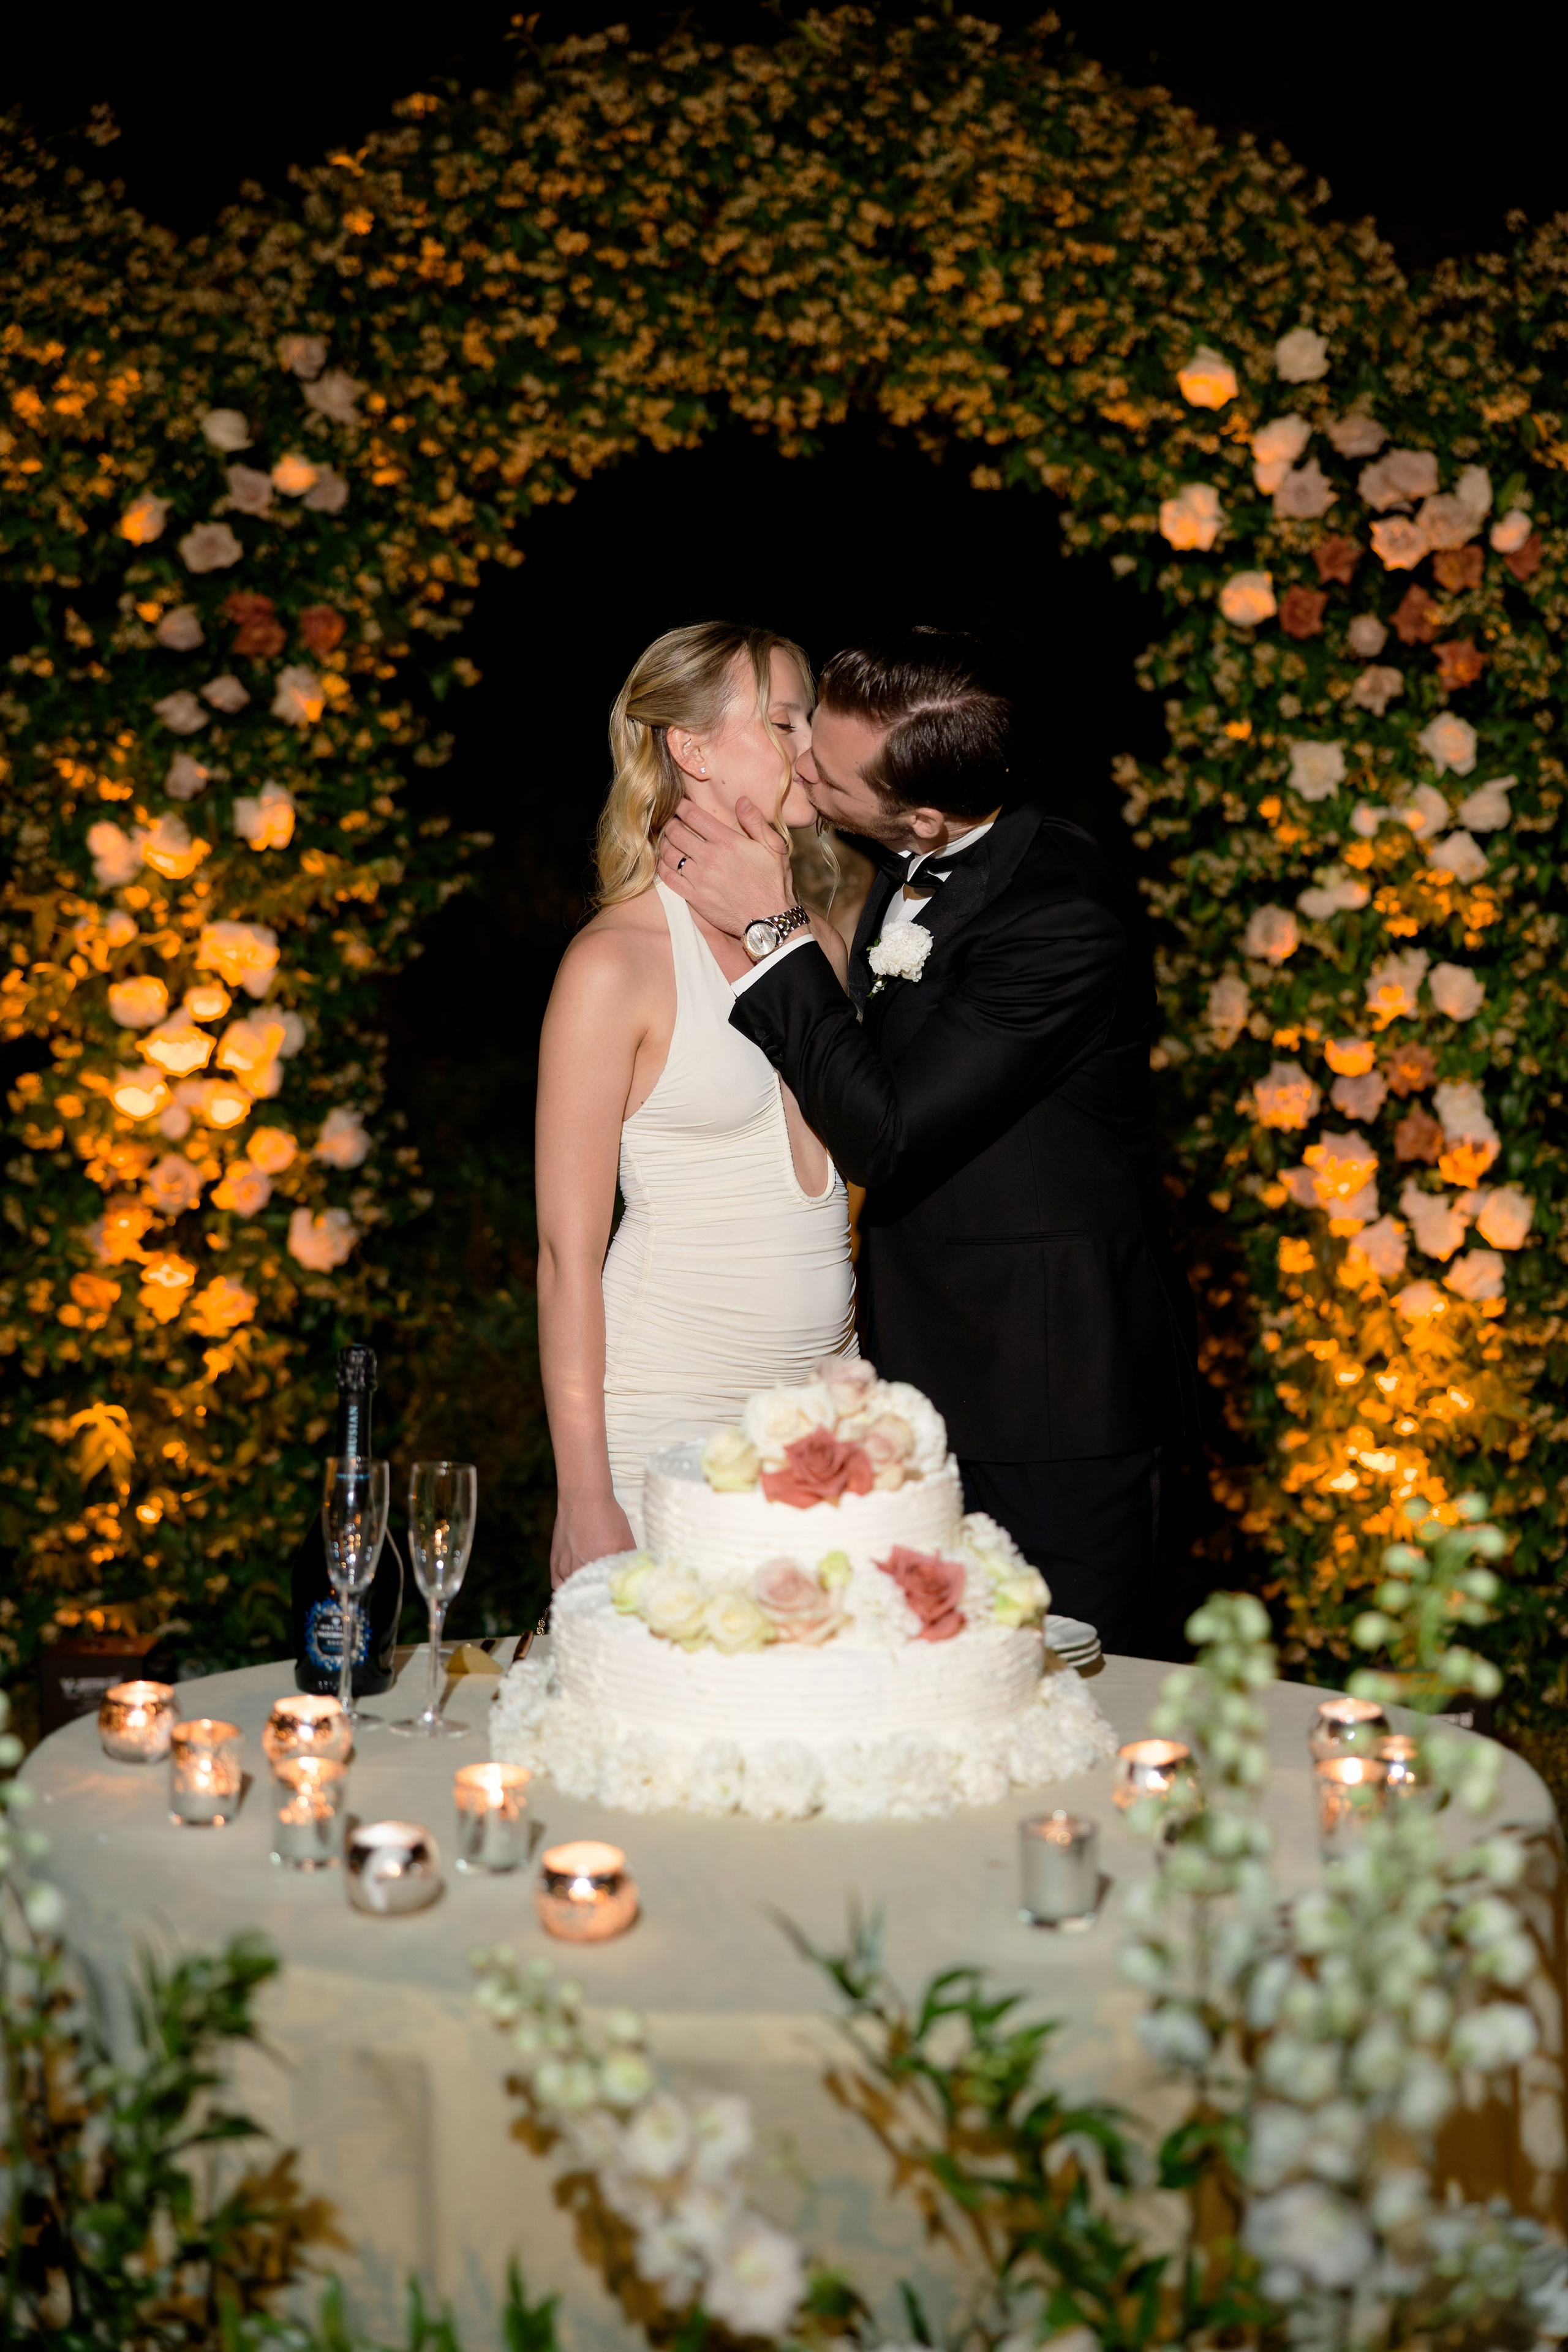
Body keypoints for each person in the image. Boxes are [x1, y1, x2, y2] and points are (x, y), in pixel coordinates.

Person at [658, 628, 1198, 1656]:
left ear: (922, 816)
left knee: (1066, 1684)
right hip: (925, 1372)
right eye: (803, 732)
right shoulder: (915, 853)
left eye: (822, 768)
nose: (798, 763)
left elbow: (891, 1136)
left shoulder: (1061, 918)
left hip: (1050, 1404)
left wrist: (773, 936)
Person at [535, 622, 856, 1586]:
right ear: (693, 749)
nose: (815, 751)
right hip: (666, 1419)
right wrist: (585, 1491)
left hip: (818, 1424)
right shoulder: (615, 964)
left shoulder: (820, 950)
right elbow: (567, 1255)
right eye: (788, 722)